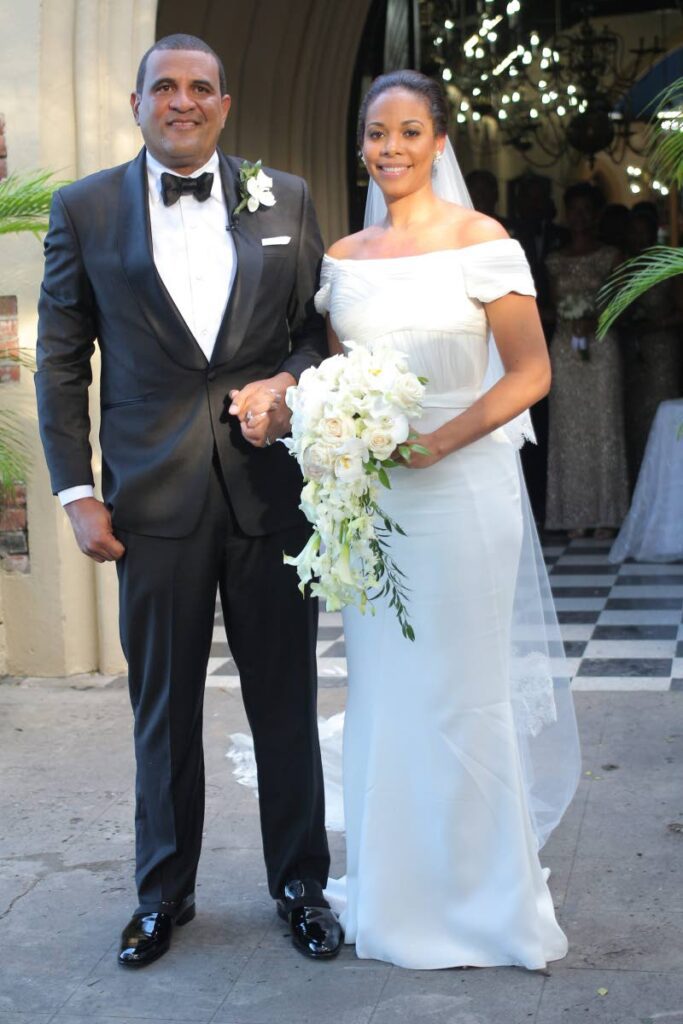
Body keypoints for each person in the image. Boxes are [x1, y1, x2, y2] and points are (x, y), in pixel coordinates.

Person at [35, 33, 342, 966]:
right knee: (162, 711)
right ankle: (163, 894)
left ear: (224, 104)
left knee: (285, 703)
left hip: (268, 496)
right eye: (163, 87)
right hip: (149, 503)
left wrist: (285, 384)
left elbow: (315, 334)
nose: (182, 101)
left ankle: (301, 887)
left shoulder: (284, 198)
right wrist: (77, 491)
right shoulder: (84, 208)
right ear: (136, 105)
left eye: (200, 87)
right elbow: (59, 361)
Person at [312, 70, 580, 969]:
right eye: (375, 132)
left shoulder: (482, 242)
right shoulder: (343, 257)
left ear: (438, 142)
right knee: (387, 693)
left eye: (408, 131)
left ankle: (482, 897)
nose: (389, 148)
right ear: (361, 143)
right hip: (376, 508)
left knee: (462, 691)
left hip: (463, 494)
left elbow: (530, 372)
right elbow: (342, 380)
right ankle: (398, 893)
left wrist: (438, 440)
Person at [544, 182, 629, 538]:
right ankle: (573, 514)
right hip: (565, 348)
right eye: (573, 209)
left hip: (601, 346)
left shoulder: (611, 256)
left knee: (604, 426)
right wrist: (566, 315)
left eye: (585, 209)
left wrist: (596, 318)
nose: (578, 216)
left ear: (595, 215)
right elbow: (548, 306)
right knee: (568, 429)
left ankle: (607, 514)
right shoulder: (553, 260)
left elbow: (624, 303)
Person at [509, 175, 569, 524]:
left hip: (561, 339)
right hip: (512, 340)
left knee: (555, 423)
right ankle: (531, 499)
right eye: (528, 197)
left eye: (539, 196)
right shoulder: (504, 235)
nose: (534, 204)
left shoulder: (563, 236)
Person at [620, 202, 683, 487]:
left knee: (660, 411)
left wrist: (655, 324)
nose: (637, 237)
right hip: (633, 349)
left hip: (661, 350)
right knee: (633, 417)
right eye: (632, 231)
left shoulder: (669, 265)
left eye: (642, 231)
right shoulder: (624, 266)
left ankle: (665, 481)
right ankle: (638, 482)